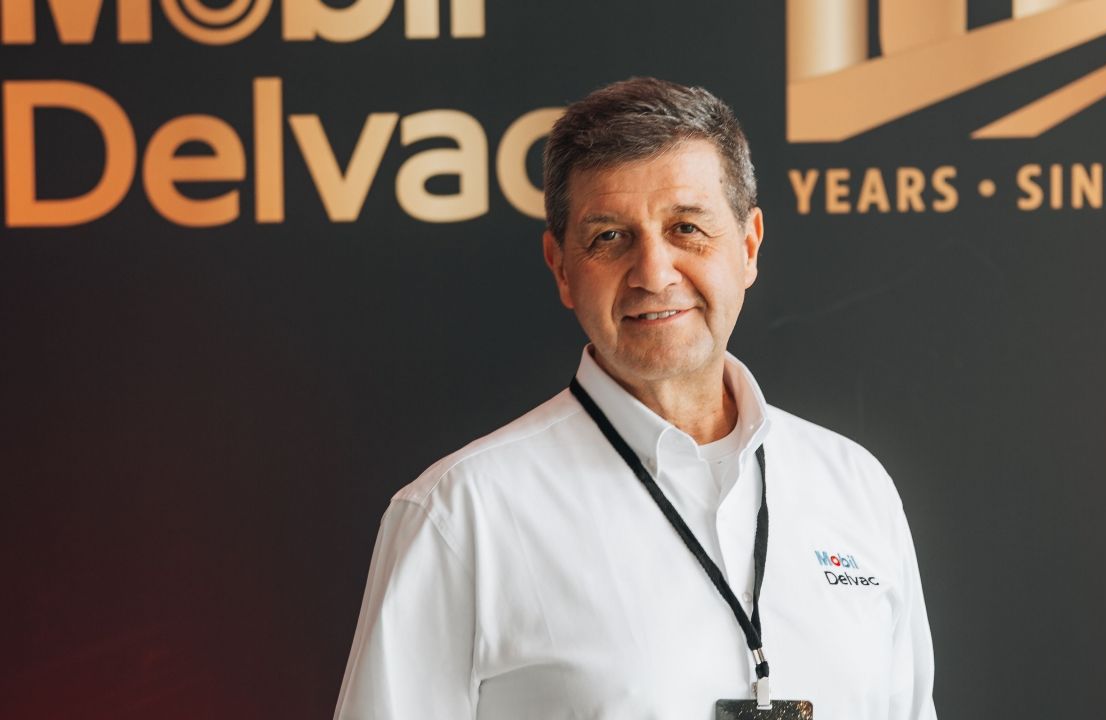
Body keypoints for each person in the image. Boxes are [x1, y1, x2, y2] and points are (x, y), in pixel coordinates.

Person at [334, 77, 937, 719]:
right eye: (609, 238)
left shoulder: (855, 486)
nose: (653, 273)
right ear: (561, 268)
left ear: (749, 246)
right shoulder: (460, 515)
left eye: (687, 228)